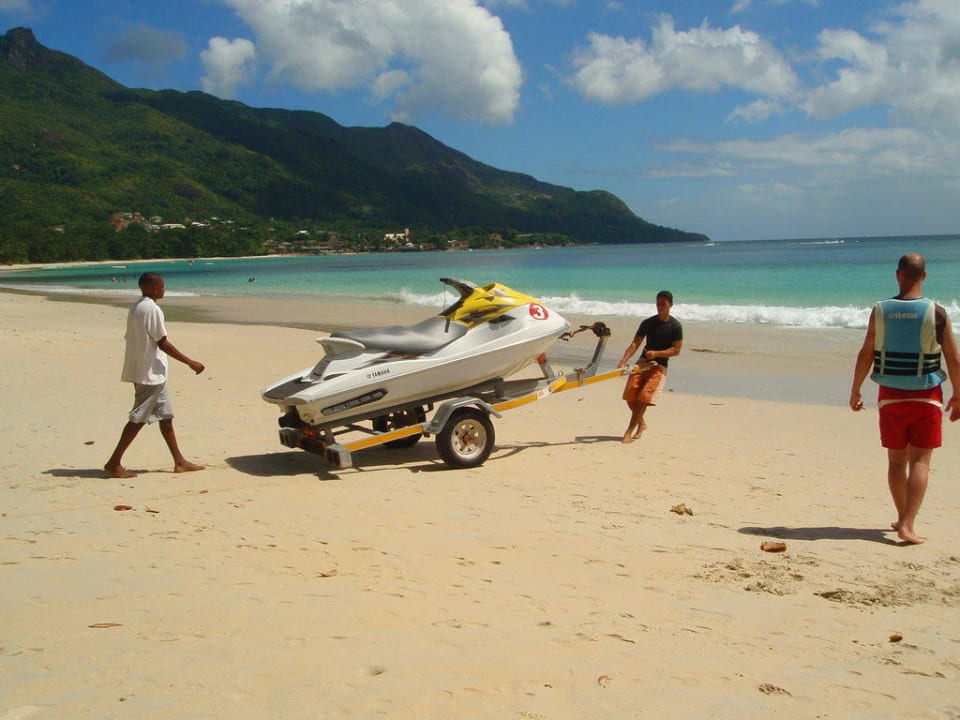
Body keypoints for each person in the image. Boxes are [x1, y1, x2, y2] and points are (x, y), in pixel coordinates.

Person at [850, 253, 960, 544]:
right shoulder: (936, 312)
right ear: (924, 276)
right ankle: (908, 523)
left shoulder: (881, 311)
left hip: (891, 396)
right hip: (926, 395)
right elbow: (954, 358)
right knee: (921, 461)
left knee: (896, 460)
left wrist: (856, 389)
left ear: (898, 275)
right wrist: (959, 395)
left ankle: (901, 516)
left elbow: (866, 353)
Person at [104, 272, 206, 478]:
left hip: (148, 371)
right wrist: (190, 362)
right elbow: (162, 342)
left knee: (166, 417)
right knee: (138, 418)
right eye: (160, 286)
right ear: (150, 288)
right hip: (148, 373)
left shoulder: (137, 307)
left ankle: (180, 462)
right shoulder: (152, 309)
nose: (163, 290)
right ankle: (113, 463)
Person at [616, 290, 683, 443]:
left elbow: (676, 350)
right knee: (630, 397)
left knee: (642, 399)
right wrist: (624, 360)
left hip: (659, 367)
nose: (660, 307)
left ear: (670, 305)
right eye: (658, 303)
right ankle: (642, 424)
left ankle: (628, 432)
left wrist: (657, 353)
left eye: (663, 304)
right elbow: (635, 343)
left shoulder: (675, 326)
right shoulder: (648, 323)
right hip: (642, 363)